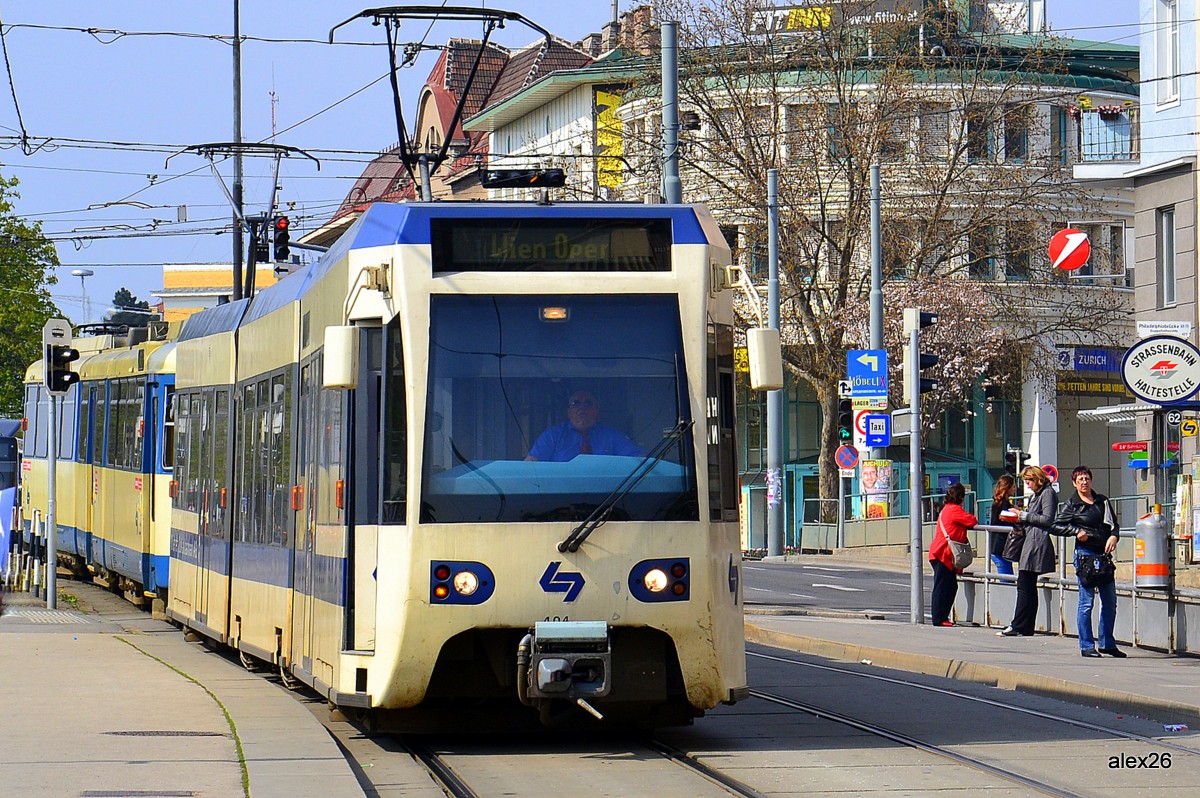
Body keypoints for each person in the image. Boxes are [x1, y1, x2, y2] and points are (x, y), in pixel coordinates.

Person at [1055, 466, 1124, 658]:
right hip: (1085, 554)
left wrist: (1114, 537)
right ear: (1074, 483)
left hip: (1102, 555)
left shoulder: (1102, 500)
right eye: (1080, 480)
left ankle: (1107, 643)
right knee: (1086, 602)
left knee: (1110, 601)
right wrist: (1076, 532)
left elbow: (1114, 525)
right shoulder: (1072, 505)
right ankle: (1086, 645)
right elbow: (1056, 525)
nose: (1084, 482)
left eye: (1086, 478)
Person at [997, 466, 1058, 637]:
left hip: (1036, 543)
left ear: (1037, 479)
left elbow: (1047, 518)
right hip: (1031, 540)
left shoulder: (1047, 494)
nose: (1028, 485)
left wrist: (1023, 516)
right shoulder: (1037, 495)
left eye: (1029, 481)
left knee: (1025, 584)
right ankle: (1025, 625)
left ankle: (1018, 624)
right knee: (1027, 585)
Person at [526, 390, 645, 462]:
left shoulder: (612, 436)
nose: (582, 407)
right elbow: (532, 465)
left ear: (597, 410)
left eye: (588, 403)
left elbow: (640, 460)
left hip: (608, 499)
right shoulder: (552, 435)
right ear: (568, 411)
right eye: (576, 403)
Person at [928, 482, 977, 627]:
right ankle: (939, 618)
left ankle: (941, 617)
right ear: (961, 498)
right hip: (943, 553)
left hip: (941, 553)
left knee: (947, 586)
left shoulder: (947, 509)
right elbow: (972, 520)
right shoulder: (955, 510)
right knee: (944, 587)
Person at [988, 474, 1017, 576]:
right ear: (1007, 487)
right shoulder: (1003, 505)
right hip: (1000, 547)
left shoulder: (999, 503)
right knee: (1007, 580)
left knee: (1007, 576)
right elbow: (1007, 521)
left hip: (1000, 547)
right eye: (1013, 486)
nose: (1015, 489)